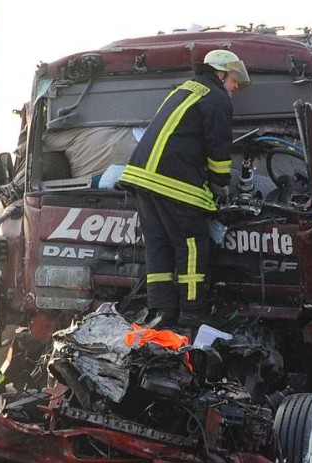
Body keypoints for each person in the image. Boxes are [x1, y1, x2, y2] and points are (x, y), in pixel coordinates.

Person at [119, 49, 250, 329]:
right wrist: (221, 186)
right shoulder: (216, 99)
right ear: (220, 73)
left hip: (143, 178)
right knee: (191, 245)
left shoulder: (183, 91)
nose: (235, 87)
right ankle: (192, 315)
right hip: (174, 184)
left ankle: (163, 313)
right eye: (233, 80)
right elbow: (218, 150)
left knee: (158, 246)